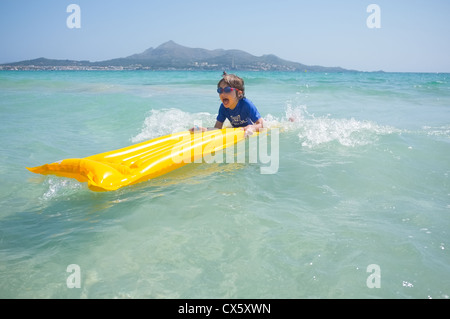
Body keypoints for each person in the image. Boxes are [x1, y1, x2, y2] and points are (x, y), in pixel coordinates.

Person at [190, 72, 264, 135]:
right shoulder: (223, 107)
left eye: (227, 90)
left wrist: (251, 127)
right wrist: (204, 130)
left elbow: (261, 124)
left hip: (248, 130)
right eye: (220, 90)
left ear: (239, 93)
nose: (223, 93)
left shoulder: (246, 104)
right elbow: (217, 128)